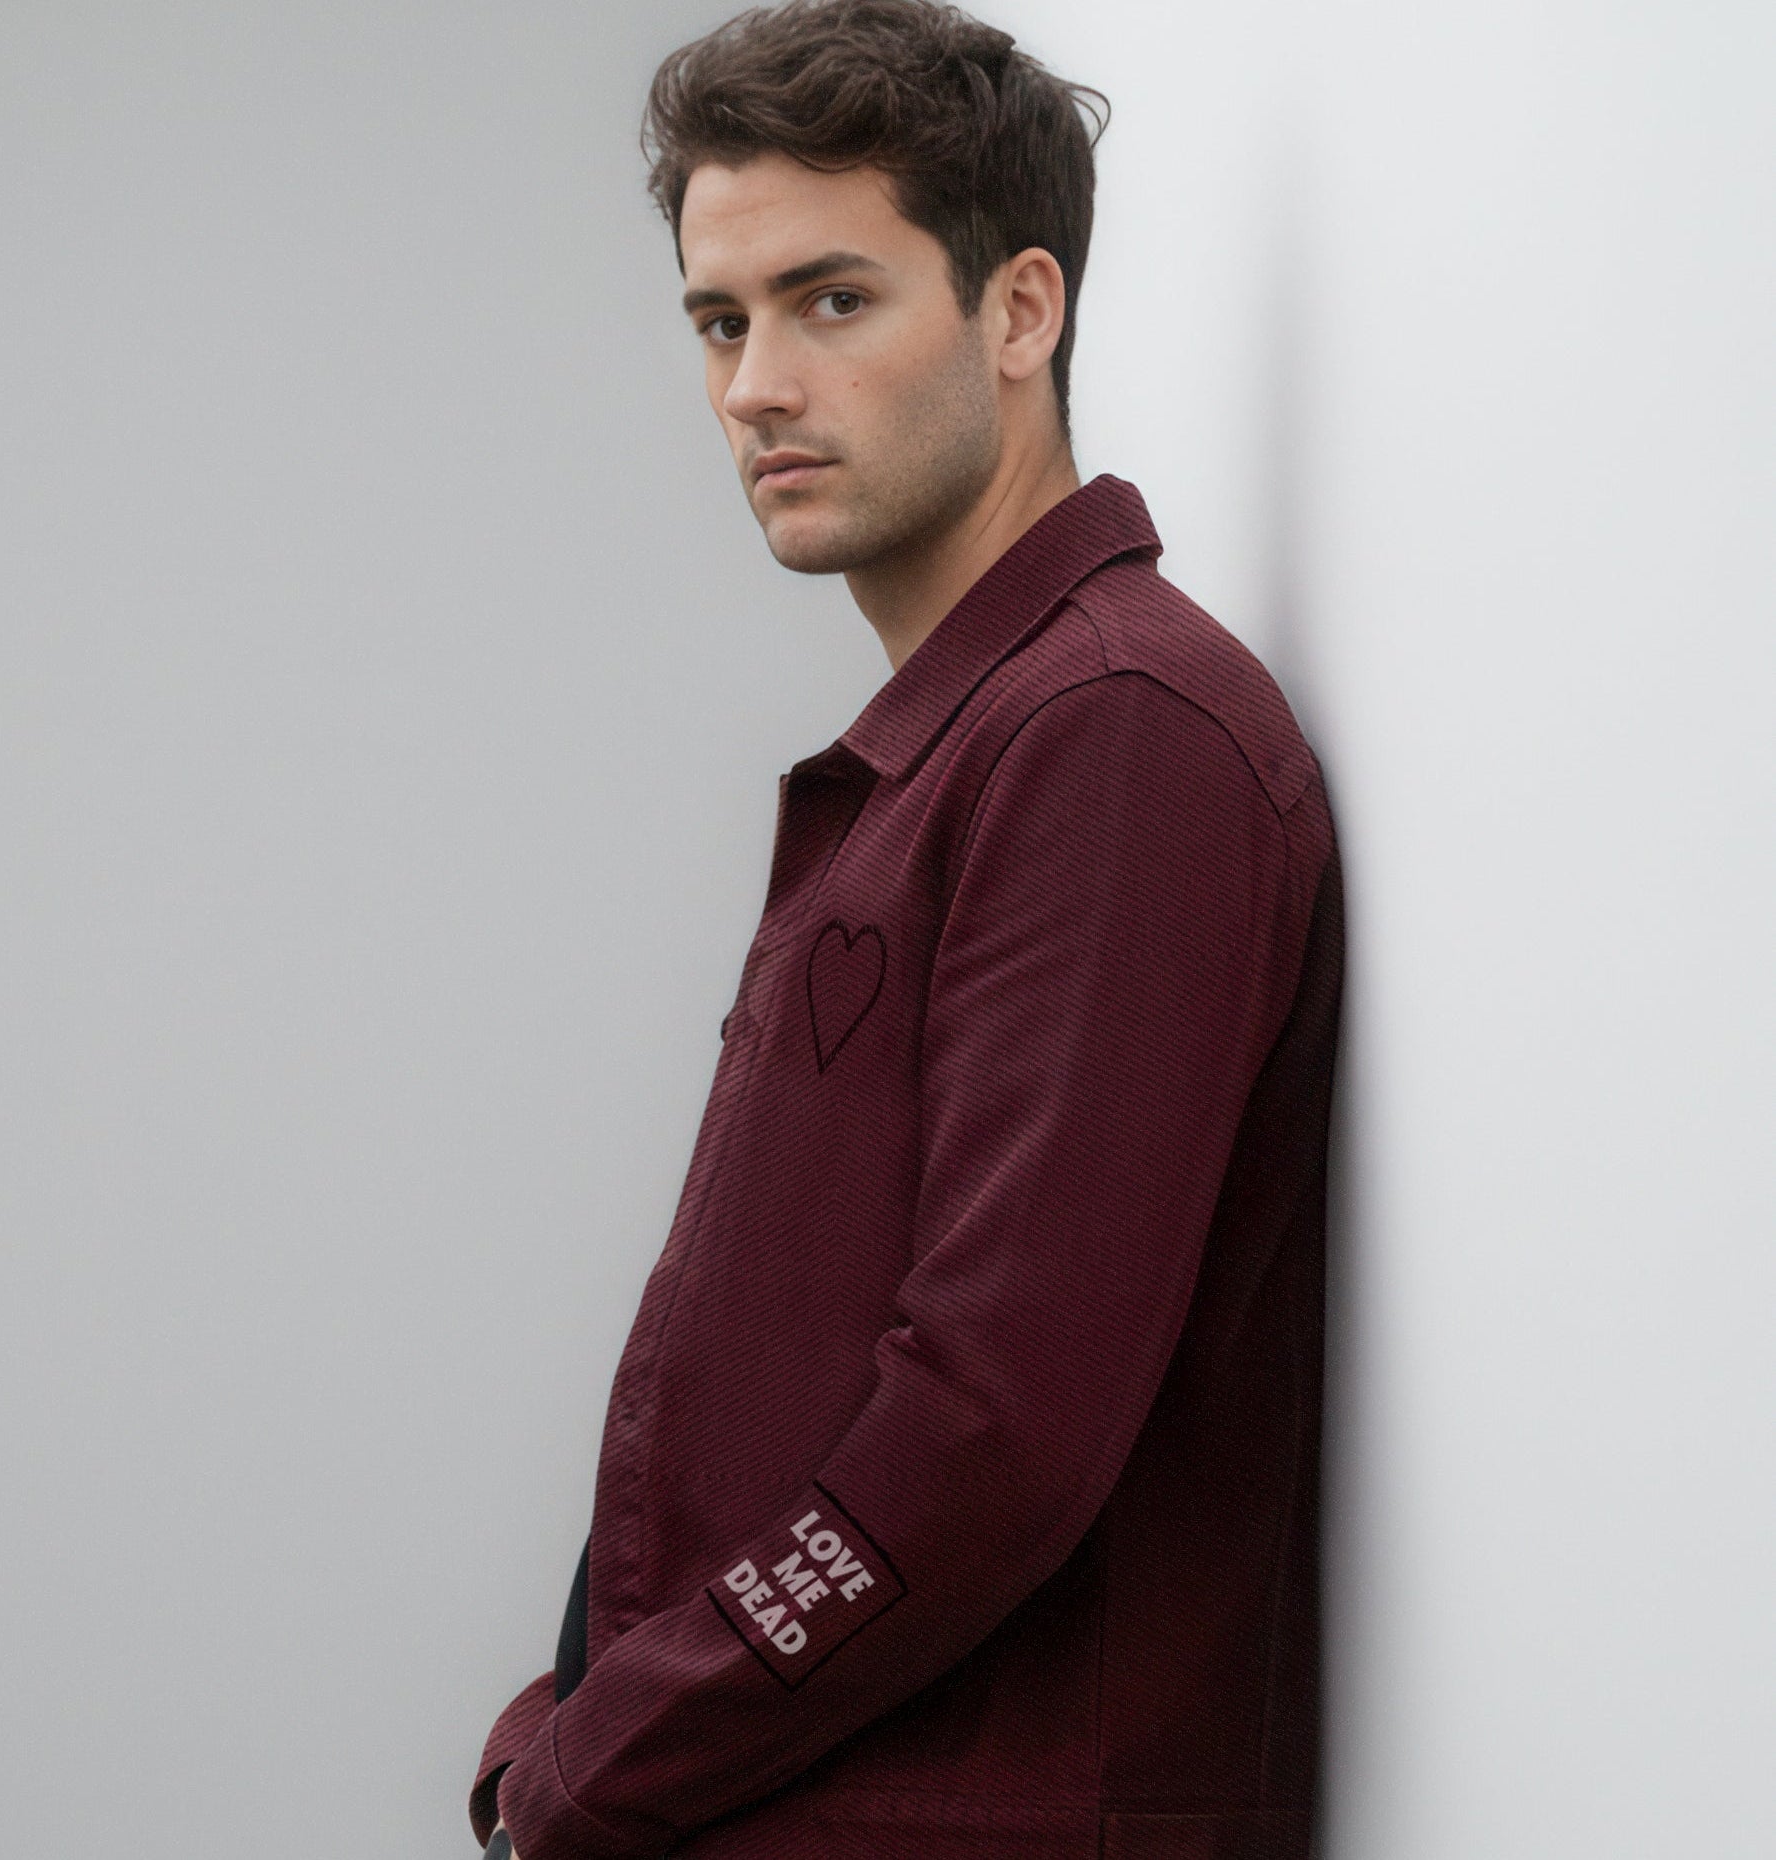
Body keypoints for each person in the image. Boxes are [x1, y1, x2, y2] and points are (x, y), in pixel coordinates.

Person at [471, 3, 1344, 1856]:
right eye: (722, 321)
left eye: (832, 301)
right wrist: (561, 1726)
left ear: (1019, 311)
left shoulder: (1116, 736)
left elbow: (991, 1429)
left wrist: (596, 1763)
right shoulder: (968, 745)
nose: (754, 388)